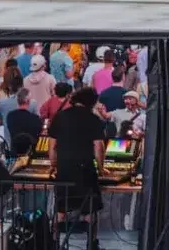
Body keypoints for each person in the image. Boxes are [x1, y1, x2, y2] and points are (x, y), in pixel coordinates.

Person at [49, 87, 106, 246]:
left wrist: (53, 165)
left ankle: (54, 242)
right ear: (91, 102)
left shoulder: (59, 117)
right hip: (85, 170)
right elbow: (98, 148)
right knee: (90, 209)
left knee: (61, 207)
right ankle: (91, 242)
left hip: (64, 169)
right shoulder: (93, 119)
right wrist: (101, 168)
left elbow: (52, 146)